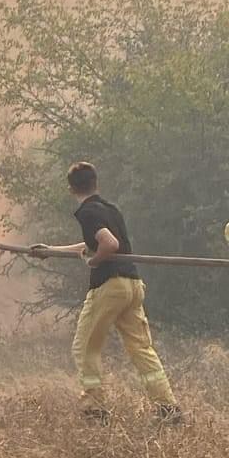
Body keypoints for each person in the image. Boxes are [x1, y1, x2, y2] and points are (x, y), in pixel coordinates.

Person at [30, 162, 181, 424]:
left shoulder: (87, 212)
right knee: (141, 348)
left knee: (84, 347)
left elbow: (108, 244)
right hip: (132, 285)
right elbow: (96, 242)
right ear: (95, 183)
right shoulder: (111, 209)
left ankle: (95, 410)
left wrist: (95, 261)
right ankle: (167, 407)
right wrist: (52, 250)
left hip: (109, 285)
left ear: (70, 188)